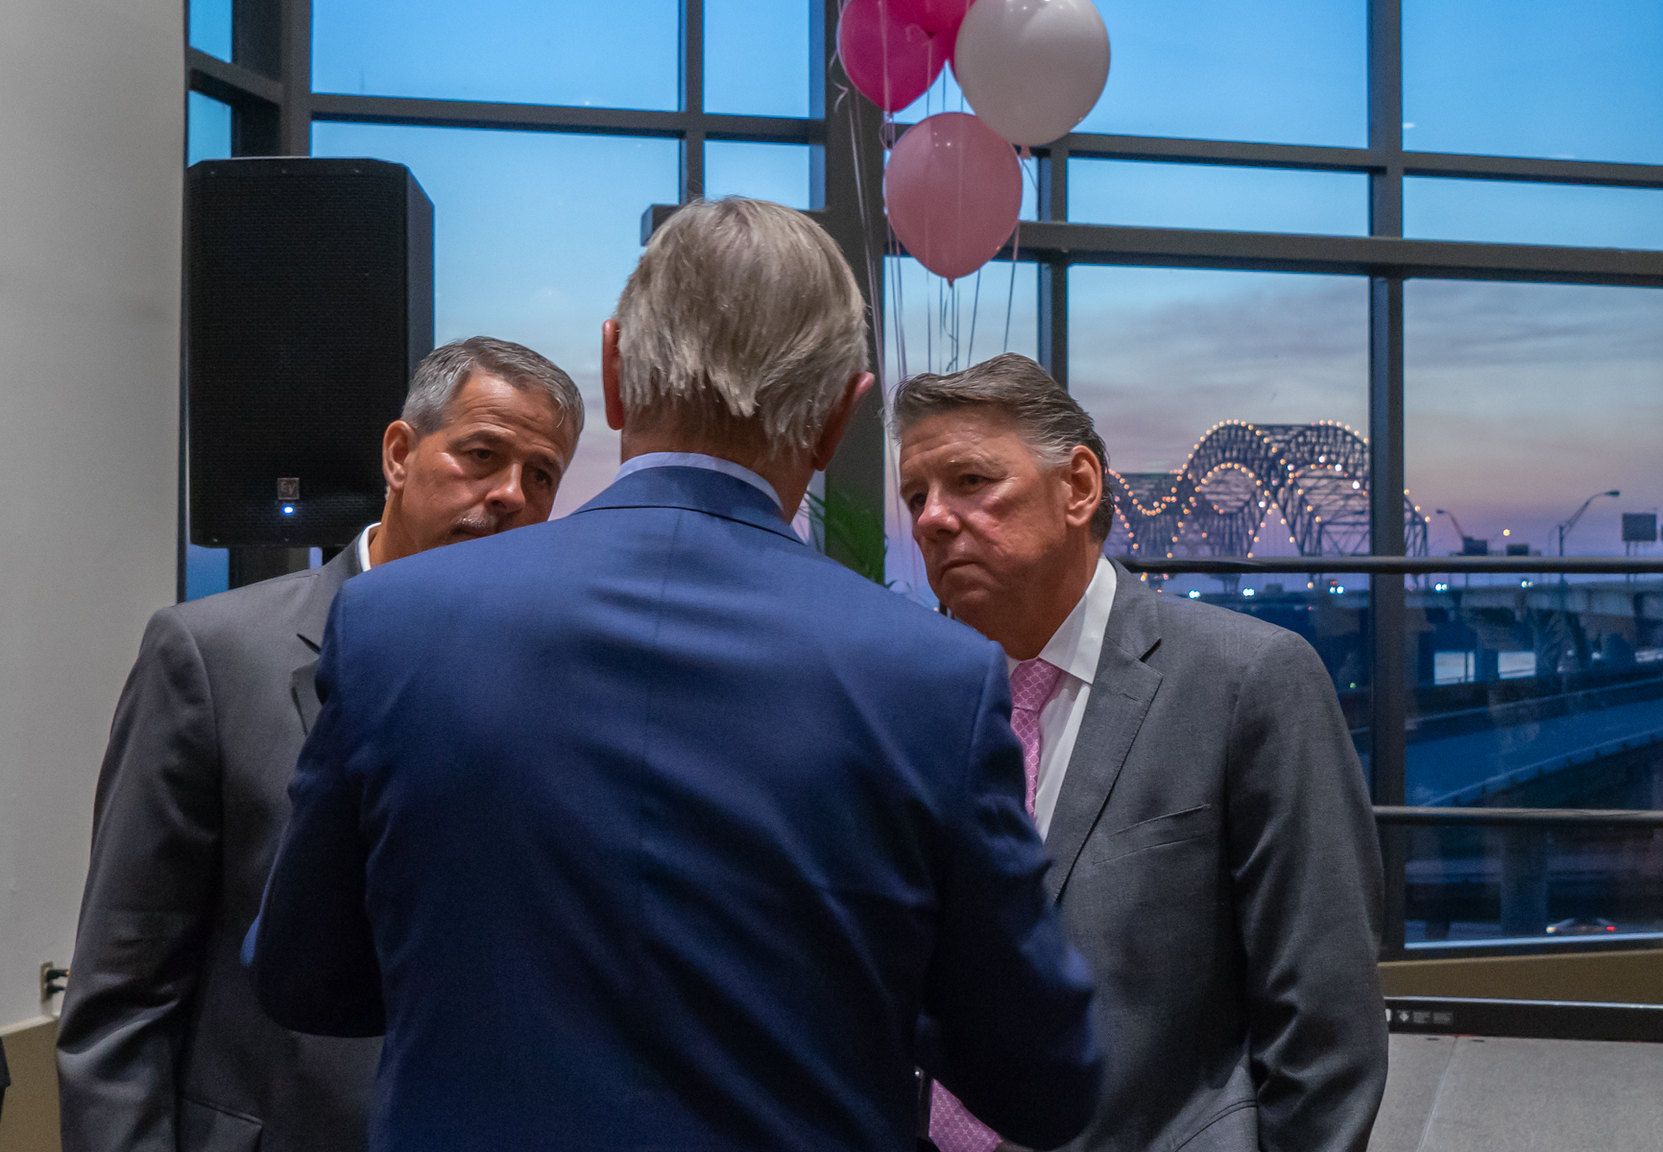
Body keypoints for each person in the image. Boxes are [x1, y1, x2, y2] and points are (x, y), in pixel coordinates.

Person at [247, 198, 1102, 1152]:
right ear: (839, 417)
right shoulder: (935, 678)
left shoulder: (393, 623)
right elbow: (1044, 1081)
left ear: (613, 372)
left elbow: (302, 977)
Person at [58, 336, 583, 1152]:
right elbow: (122, 992)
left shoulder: (552, 687)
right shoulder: (213, 655)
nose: (512, 495)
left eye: (542, 476)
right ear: (400, 454)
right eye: (483, 455)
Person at [893, 353, 1389, 1152]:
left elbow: (1325, 1025)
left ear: (1079, 487)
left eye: (971, 481)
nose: (932, 519)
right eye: (917, 496)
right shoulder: (914, 701)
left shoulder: (1247, 680)